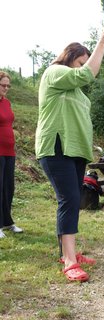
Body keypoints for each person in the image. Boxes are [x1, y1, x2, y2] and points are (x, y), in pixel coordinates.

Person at [35, 27, 104, 281]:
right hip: (57, 147)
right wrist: (102, 42)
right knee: (68, 199)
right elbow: (87, 73)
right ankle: (69, 261)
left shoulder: (76, 91)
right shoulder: (54, 72)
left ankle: (68, 252)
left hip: (76, 151)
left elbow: (84, 78)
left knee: (72, 199)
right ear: (71, 57)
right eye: (81, 61)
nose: (84, 66)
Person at [0, 71, 23, 238]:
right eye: (3, 85)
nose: (6, 88)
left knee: (8, 187)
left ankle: (7, 222)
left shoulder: (6, 103)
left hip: (9, 151)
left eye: (8, 85)